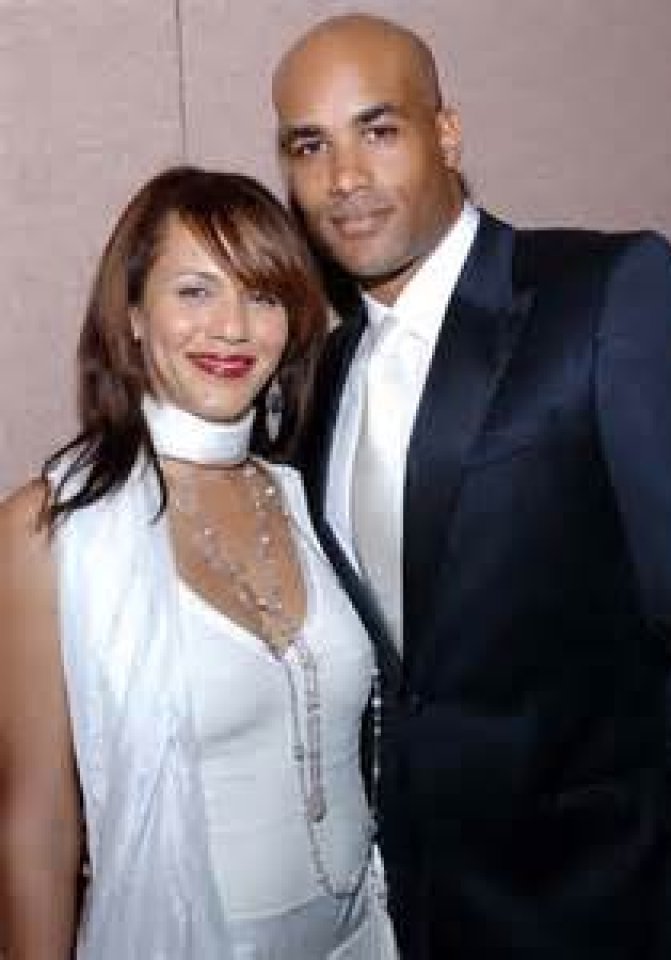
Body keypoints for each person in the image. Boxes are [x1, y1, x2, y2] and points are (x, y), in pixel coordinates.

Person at [272, 13, 671, 959]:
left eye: (377, 130)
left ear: (447, 133)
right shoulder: (319, 376)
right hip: (420, 912)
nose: (343, 177)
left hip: (617, 909)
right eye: (310, 146)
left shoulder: (606, 292)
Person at [0, 166, 397, 959]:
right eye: (194, 291)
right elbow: (36, 824)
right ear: (132, 314)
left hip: (367, 935)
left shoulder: (309, 497)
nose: (232, 328)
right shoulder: (50, 529)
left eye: (263, 296)